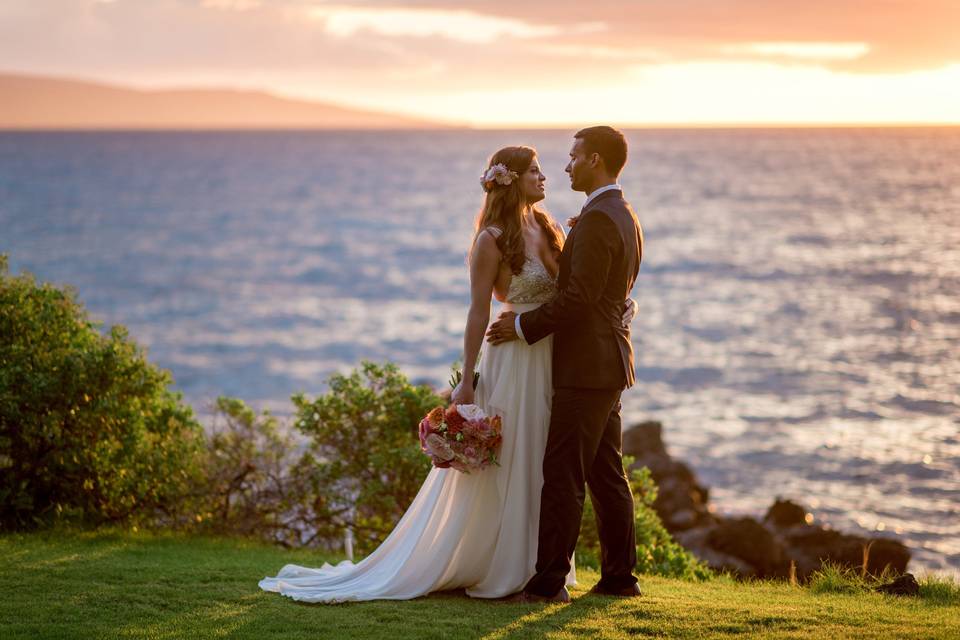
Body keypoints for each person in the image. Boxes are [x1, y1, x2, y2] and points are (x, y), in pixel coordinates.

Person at [258, 142, 638, 603]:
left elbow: (582, 291)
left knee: (547, 464)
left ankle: (542, 569)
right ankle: (506, 565)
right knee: (518, 461)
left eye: (547, 168)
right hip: (513, 354)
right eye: (535, 171)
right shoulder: (491, 239)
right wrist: (469, 377)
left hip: (553, 355)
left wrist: (618, 309)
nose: (546, 177)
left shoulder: (548, 225)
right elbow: (478, 313)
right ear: (511, 179)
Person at [487, 126, 644, 603]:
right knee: (605, 474)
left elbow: (577, 300)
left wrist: (519, 328)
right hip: (608, 363)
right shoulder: (619, 213)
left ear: (595, 160)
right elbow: (607, 288)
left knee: (563, 476)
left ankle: (548, 582)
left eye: (573, 157)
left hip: (585, 367)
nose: (566, 165)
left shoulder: (598, 219)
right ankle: (620, 578)